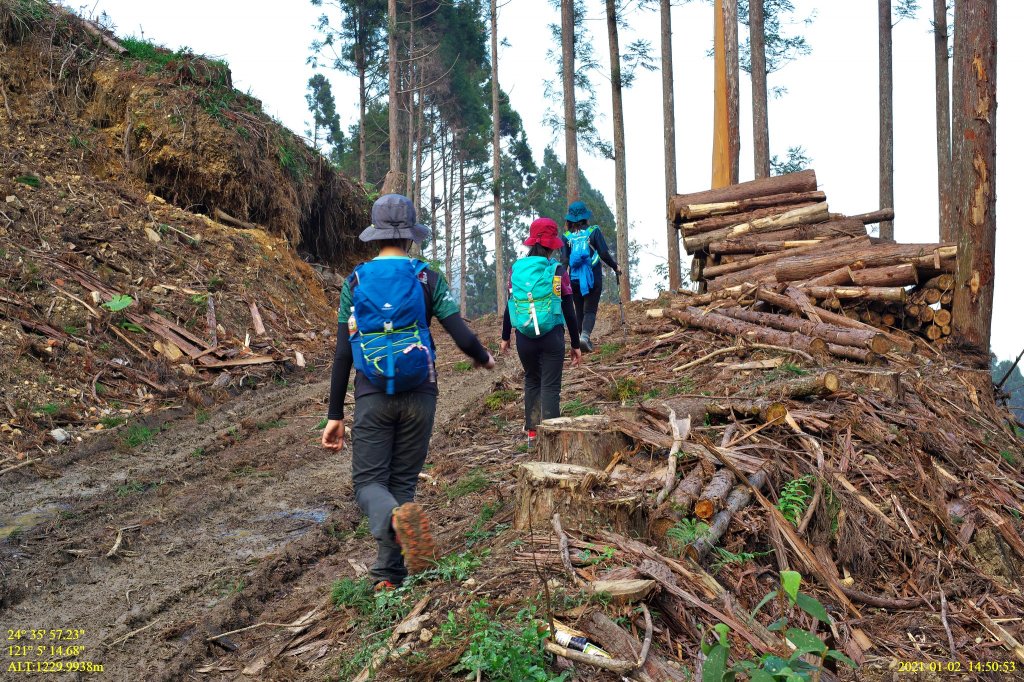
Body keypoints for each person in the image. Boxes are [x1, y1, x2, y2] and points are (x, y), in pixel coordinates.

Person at [322, 194, 495, 589]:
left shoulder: (356, 280)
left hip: (372, 392)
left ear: (376, 234)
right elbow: (459, 332)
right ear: (411, 236)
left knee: (369, 484)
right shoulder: (427, 276)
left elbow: (342, 351)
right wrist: (482, 357)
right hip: (421, 392)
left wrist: (335, 413)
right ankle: (390, 573)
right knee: (401, 482)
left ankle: (389, 553)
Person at [500, 218, 583, 447]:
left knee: (532, 381)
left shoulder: (516, 269)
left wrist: (506, 337)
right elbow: (568, 307)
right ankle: (552, 440)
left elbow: (511, 304)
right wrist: (576, 344)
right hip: (551, 336)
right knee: (550, 386)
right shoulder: (557, 270)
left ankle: (533, 437)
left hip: (524, 338)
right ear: (551, 244)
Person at [560, 200, 620, 352]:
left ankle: (581, 339)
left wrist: (561, 277)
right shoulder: (594, 231)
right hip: (593, 276)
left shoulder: (566, 237)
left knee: (579, 310)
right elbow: (604, 253)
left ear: (569, 220)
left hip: (574, 279)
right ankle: (585, 337)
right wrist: (614, 266)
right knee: (590, 310)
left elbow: (565, 260)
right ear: (585, 217)